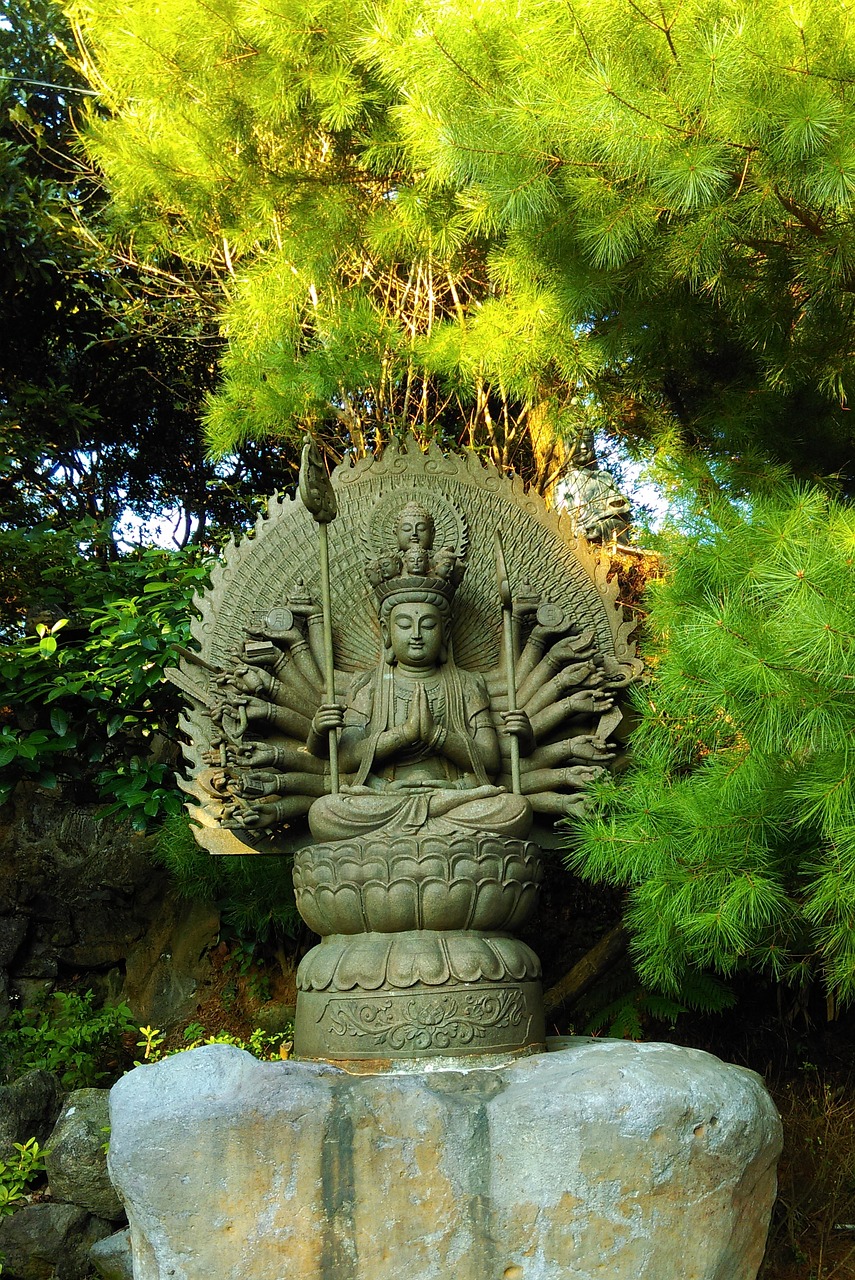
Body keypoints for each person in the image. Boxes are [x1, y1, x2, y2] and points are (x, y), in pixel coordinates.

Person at [306, 504, 533, 841]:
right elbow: (348, 758)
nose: (416, 634)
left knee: (512, 808)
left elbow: (490, 761)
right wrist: (404, 734)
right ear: (386, 632)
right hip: (384, 798)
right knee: (326, 811)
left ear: (445, 632)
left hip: (454, 797)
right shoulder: (368, 684)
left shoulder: (467, 684)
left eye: (428, 625)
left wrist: (437, 736)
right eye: (404, 624)